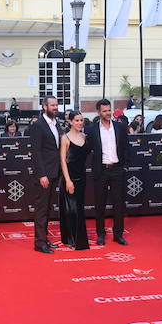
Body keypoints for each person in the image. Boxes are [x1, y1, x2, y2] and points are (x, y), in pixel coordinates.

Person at [85, 99, 129, 246]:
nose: (108, 113)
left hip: (117, 169)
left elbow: (126, 148)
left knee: (118, 204)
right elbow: (86, 149)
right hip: (101, 170)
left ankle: (118, 234)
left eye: (109, 110)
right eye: (104, 111)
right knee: (100, 204)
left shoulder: (120, 127)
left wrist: (125, 166)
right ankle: (101, 234)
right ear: (98, 112)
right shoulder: (91, 130)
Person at [28, 96, 61, 254]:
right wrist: (42, 175)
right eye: (52, 105)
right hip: (44, 174)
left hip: (55, 172)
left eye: (56, 105)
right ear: (44, 107)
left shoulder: (56, 123)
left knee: (48, 209)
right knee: (41, 209)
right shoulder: (38, 125)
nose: (55, 107)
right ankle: (39, 243)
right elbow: (36, 152)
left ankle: (44, 238)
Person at [58, 111, 90, 251]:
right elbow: (63, 161)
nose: (80, 123)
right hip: (69, 178)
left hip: (82, 177)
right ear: (70, 122)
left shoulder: (85, 137)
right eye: (76, 120)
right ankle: (72, 239)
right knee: (71, 209)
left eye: (81, 120)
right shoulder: (65, 138)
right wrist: (68, 180)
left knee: (79, 209)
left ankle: (74, 239)